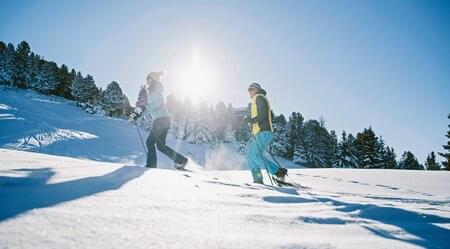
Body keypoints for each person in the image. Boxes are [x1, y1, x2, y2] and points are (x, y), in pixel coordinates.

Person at [139, 71, 188, 169]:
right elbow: (154, 106)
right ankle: (181, 160)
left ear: (152, 79)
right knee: (161, 146)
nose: (146, 80)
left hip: (160, 120)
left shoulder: (155, 90)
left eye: (148, 78)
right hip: (164, 120)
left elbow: (155, 105)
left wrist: (142, 114)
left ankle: (151, 165)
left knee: (150, 142)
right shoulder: (155, 89)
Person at [245, 83, 287, 184]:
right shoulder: (255, 100)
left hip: (264, 131)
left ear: (257, 89)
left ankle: (278, 172)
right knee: (250, 155)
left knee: (254, 155)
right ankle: (257, 180)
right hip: (260, 133)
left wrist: (251, 120)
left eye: (252, 89)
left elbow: (262, 114)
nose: (250, 91)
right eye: (249, 90)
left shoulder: (260, 98)